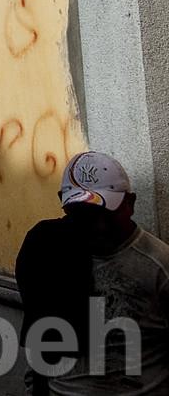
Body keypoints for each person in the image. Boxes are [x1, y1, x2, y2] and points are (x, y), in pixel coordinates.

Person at [17, 149, 169, 394]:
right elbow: (40, 341)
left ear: (129, 203)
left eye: (107, 214)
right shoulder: (46, 249)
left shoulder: (158, 266)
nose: (98, 226)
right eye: (84, 216)